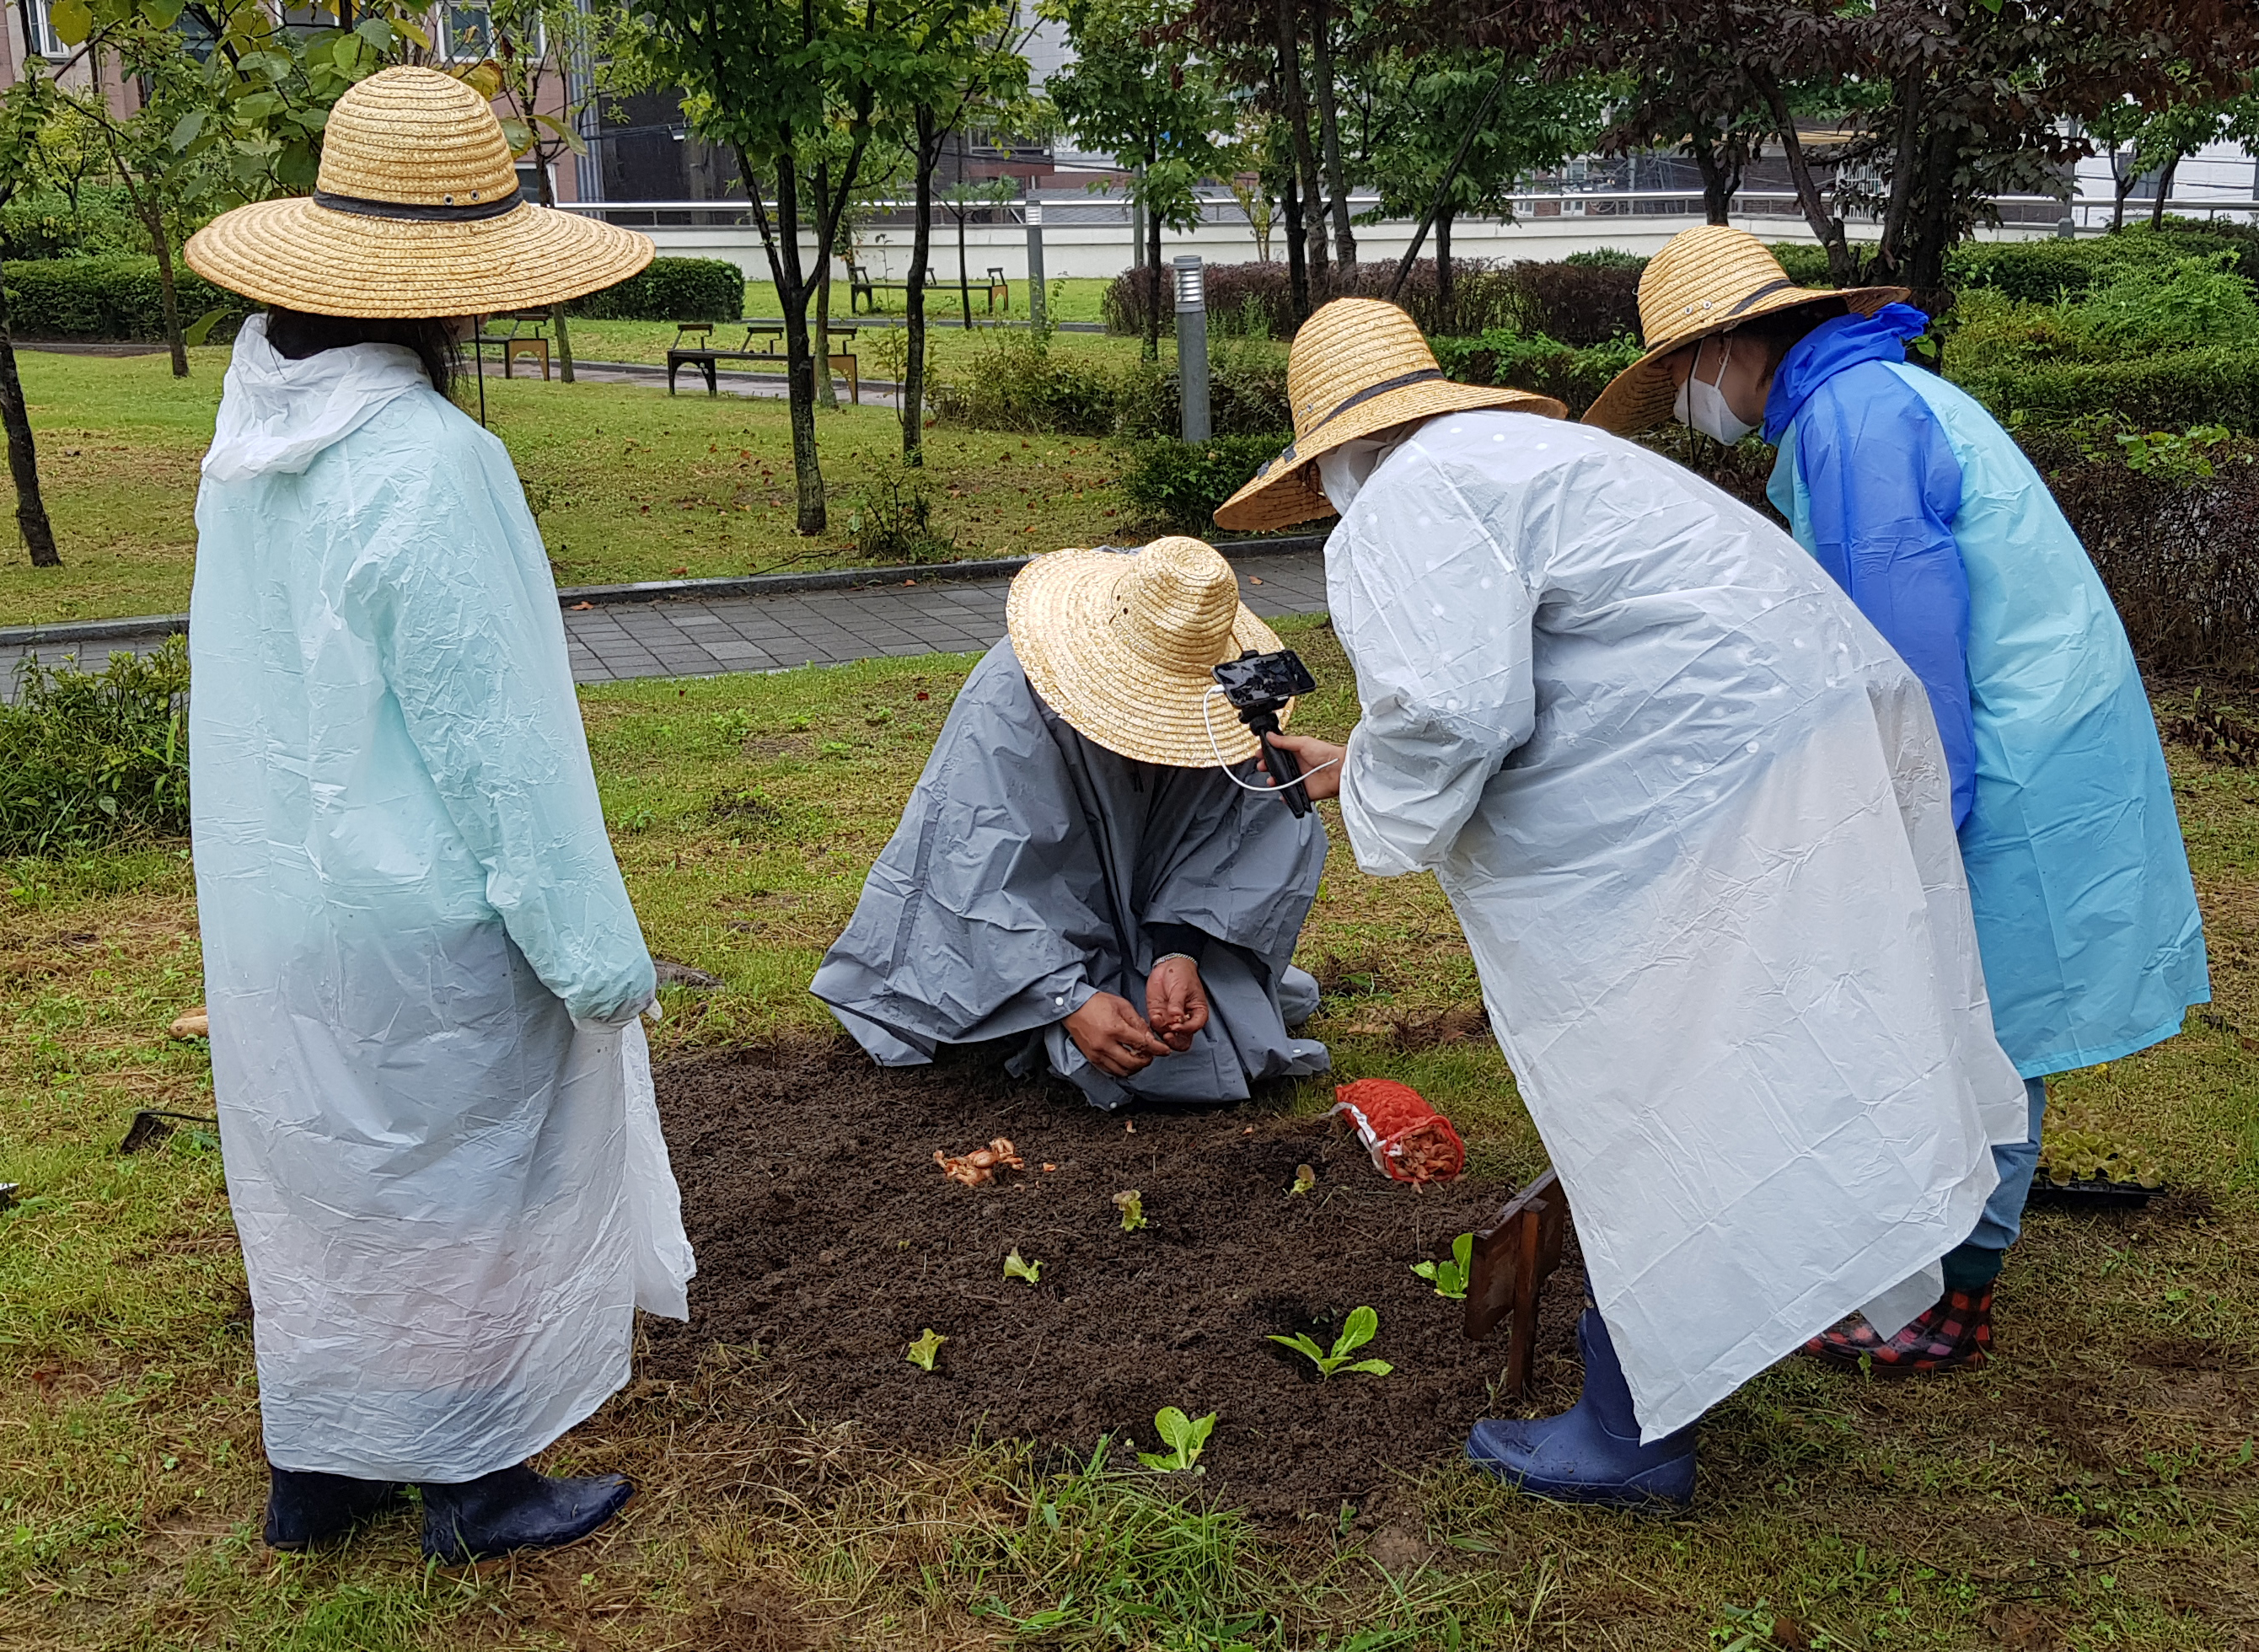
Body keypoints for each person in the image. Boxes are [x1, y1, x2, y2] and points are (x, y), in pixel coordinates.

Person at [1211, 298, 2027, 1507]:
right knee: (1763, 1054)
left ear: (1330, 459)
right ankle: (1692, 1356)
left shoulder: (1402, 505)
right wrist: (1364, 765)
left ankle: (1635, 1419)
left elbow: (1448, 714)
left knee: (1655, 1072)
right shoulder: (1527, 458)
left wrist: (1381, 794)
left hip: (1719, 791)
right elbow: (1536, 672)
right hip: (1807, 747)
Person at [181, 67, 694, 1564]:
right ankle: (475, 1479)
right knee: (465, 1178)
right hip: (426, 908)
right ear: (456, 288)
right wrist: (592, 953)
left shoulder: (247, 444)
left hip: (284, 901)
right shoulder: (428, 462)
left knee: (332, 1180)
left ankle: (324, 1469)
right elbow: (500, 744)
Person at [1586, 226, 2209, 1373]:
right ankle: (1922, 1248)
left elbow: (1908, 640)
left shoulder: (1857, 421)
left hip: (2003, 748)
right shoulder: (1861, 398)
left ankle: (1954, 1294)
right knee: (1966, 999)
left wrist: (1911, 815)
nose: (1686, 398)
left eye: (1683, 370)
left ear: (1732, 347)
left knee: (1975, 1009)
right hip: (2019, 726)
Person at [812, 536, 1331, 1110]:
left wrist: (1178, 949)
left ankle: (1138, 970)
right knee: (1154, 1064)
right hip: (1013, 928)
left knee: (1202, 1052)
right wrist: (1066, 1000)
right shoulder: (1010, 701)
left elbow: (1242, 830)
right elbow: (975, 869)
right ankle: (1042, 997)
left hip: (1144, 918)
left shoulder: (1228, 703)